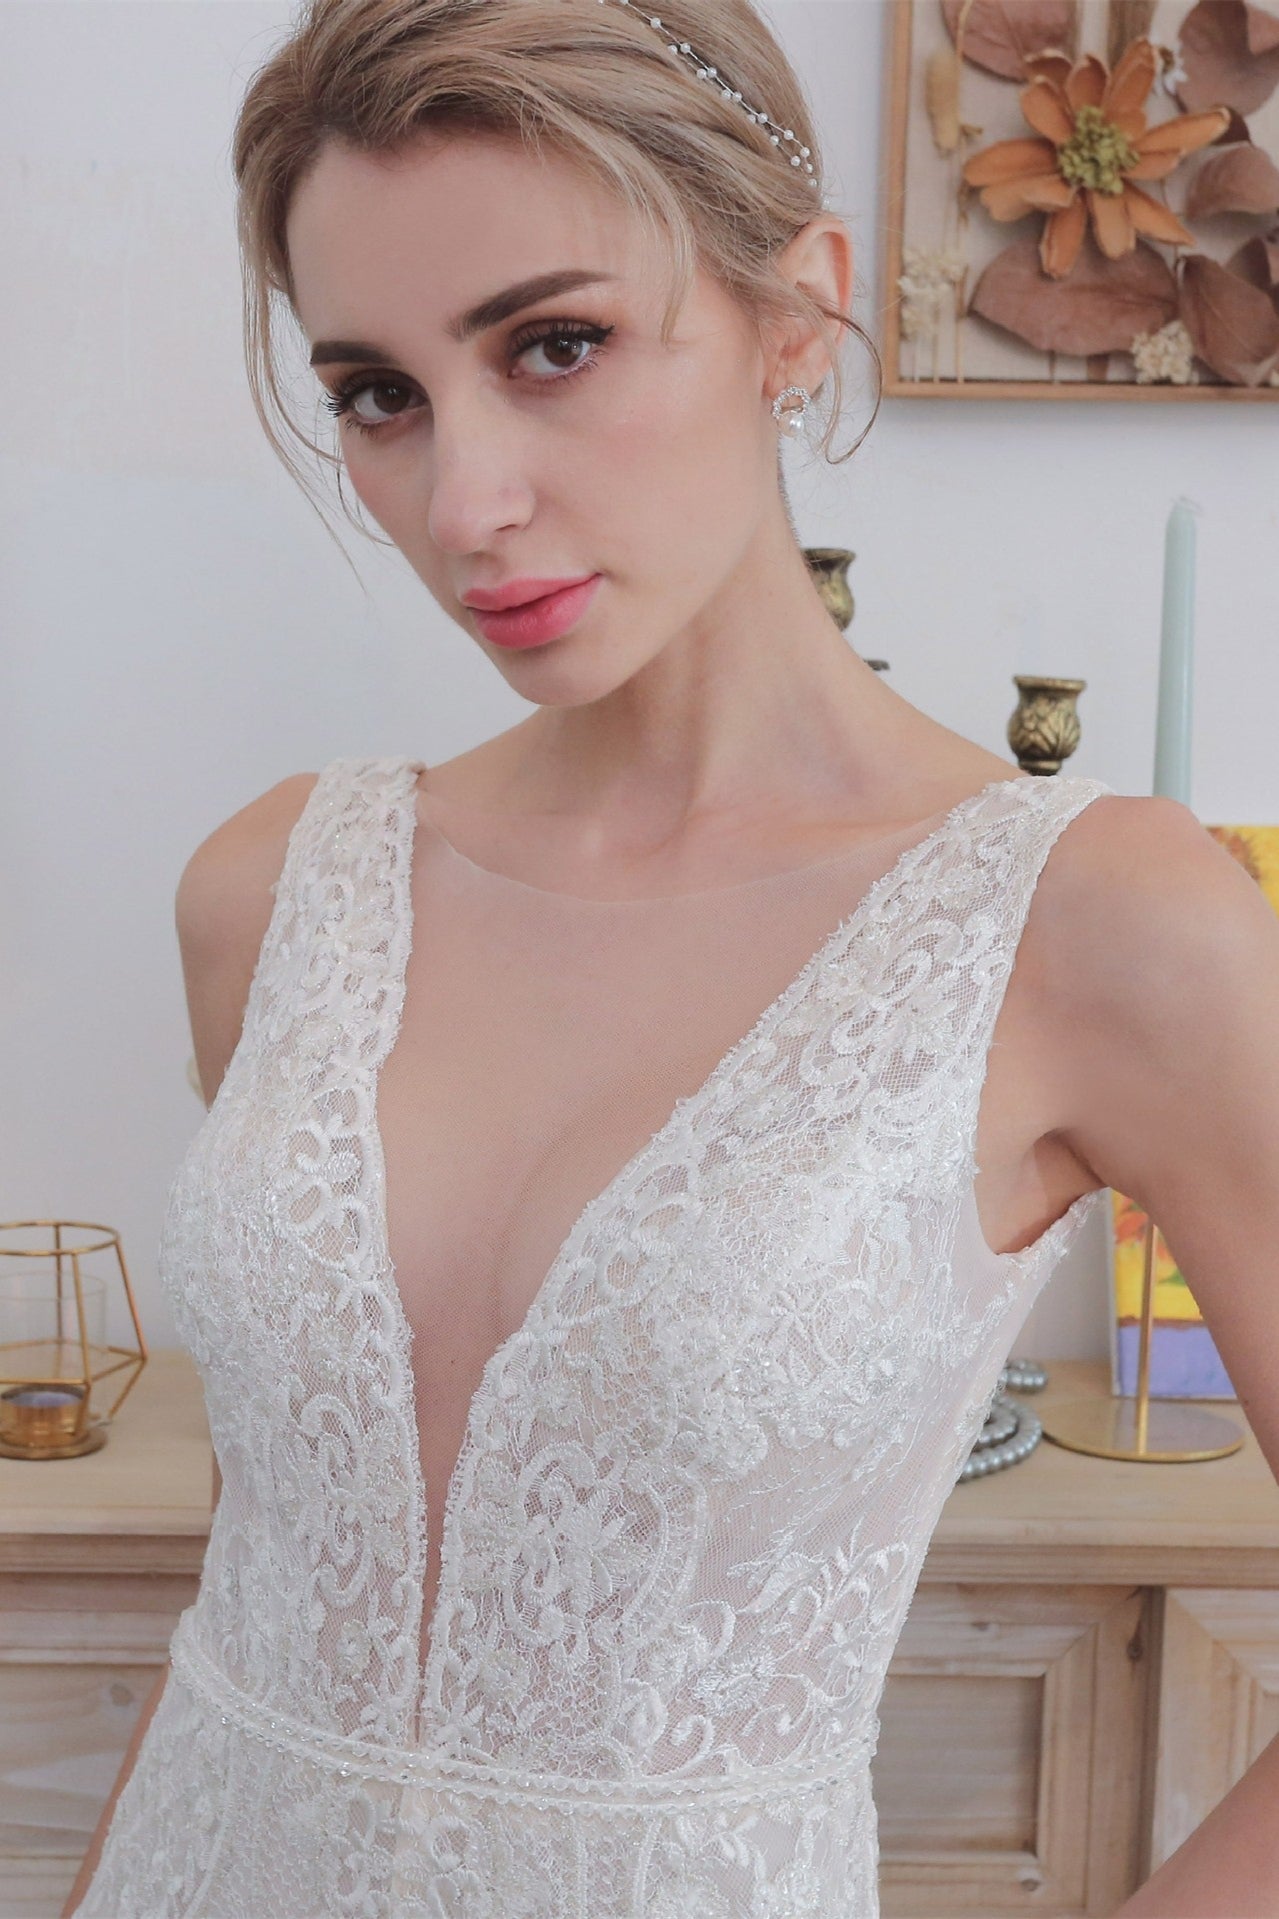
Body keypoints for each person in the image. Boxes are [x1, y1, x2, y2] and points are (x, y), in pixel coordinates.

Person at [65, 3, 1279, 1915]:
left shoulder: (1100, 924)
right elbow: (266, 1565)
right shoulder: (276, 890)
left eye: (554, 346)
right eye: (379, 393)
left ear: (801, 311)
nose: (463, 504)